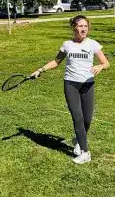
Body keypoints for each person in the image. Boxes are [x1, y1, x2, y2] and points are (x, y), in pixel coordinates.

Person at [30, 15, 110, 164]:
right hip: (71, 84)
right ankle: (85, 152)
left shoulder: (93, 44)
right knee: (77, 117)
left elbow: (106, 63)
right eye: (80, 26)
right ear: (74, 27)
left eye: (85, 26)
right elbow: (56, 61)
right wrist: (40, 70)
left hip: (87, 84)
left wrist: (100, 66)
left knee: (87, 119)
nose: (83, 29)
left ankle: (79, 140)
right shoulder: (67, 45)